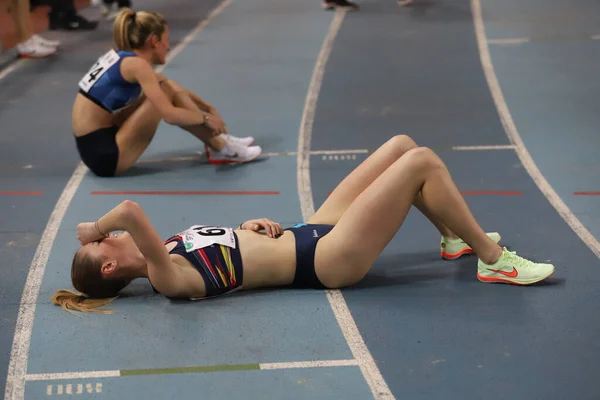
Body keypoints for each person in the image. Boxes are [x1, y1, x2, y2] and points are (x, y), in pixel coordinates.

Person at [52, 135, 555, 314]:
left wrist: (250, 224)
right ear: (113, 265)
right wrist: (93, 225)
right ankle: (493, 261)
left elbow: (228, 250)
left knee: (401, 145)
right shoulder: (164, 278)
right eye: (103, 244)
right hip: (325, 260)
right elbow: (129, 211)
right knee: (421, 162)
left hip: (307, 229)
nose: (108, 236)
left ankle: (453, 239)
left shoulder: (166, 247)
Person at [72, 8, 261, 177]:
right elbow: (170, 115)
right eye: (166, 40)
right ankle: (221, 147)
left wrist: (207, 107)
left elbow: (170, 85)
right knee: (163, 98)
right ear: (154, 40)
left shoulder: (125, 59)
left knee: (164, 85)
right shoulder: (137, 65)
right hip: (105, 156)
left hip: (98, 143)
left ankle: (219, 142)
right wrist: (206, 119)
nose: (168, 47)